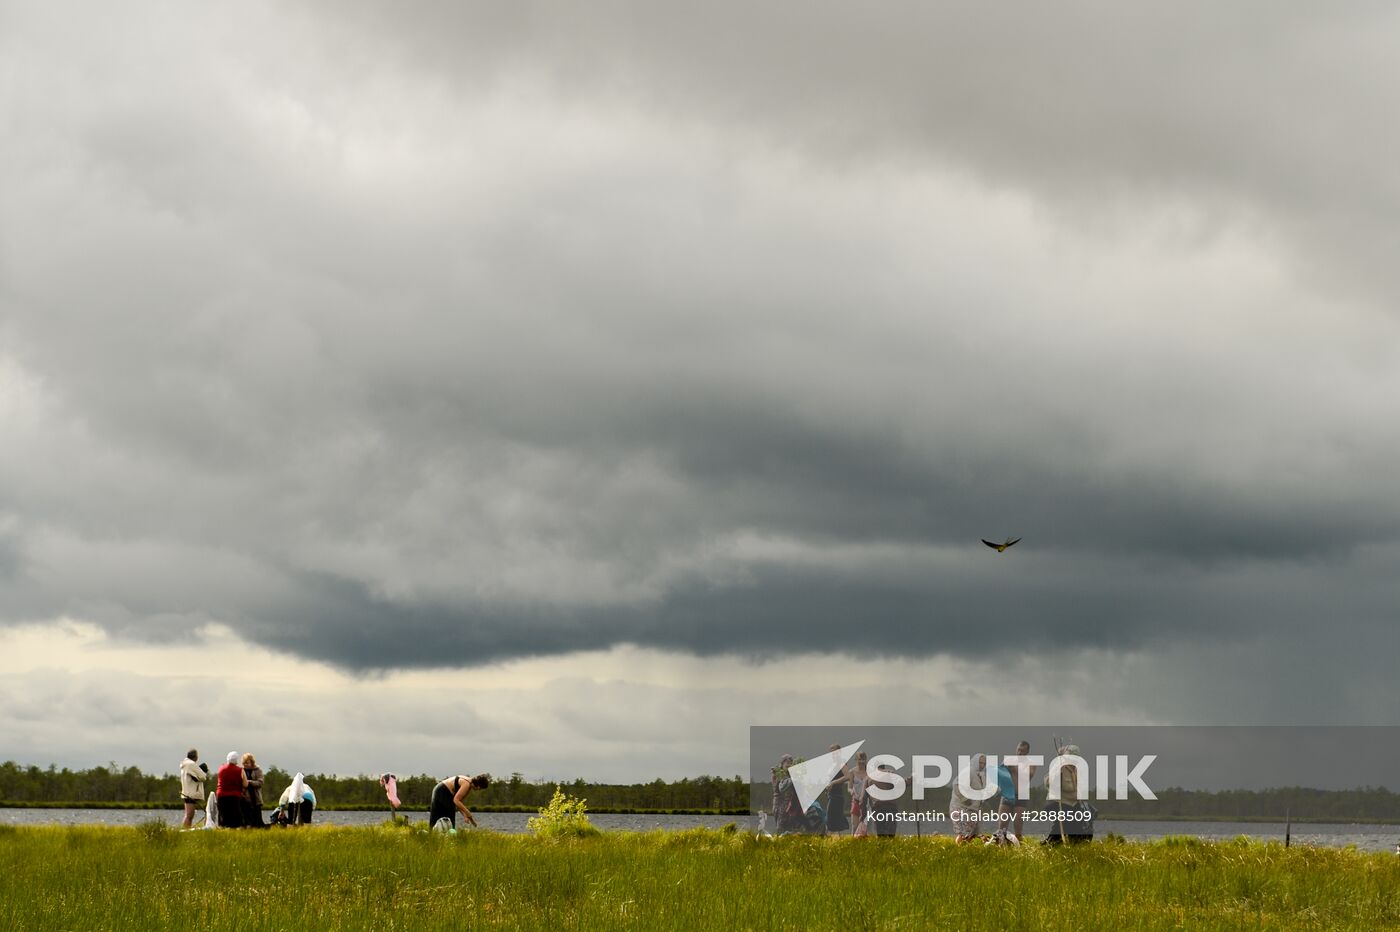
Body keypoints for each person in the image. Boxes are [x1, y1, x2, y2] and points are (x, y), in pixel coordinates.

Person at [1043, 743, 1092, 844]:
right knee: (1064, 824)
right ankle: (1049, 844)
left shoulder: (1077, 770)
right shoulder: (1058, 767)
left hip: (1073, 804)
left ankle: (1076, 844)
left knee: (1079, 823)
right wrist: (1058, 772)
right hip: (1057, 803)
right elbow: (1048, 783)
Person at [997, 740, 1034, 843]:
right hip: (1007, 794)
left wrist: (1015, 769)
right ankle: (1001, 844)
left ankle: (1019, 844)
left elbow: (1028, 777)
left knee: (1018, 823)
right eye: (1018, 750)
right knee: (1002, 823)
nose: (1019, 753)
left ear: (1027, 752)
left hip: (1021, 795)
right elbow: (999, 772)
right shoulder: (1009, 759)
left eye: (1022, 751)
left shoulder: (1030, 763)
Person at [950, 753, 988, 844]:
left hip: (973, 809)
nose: (982, 765)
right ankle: (958, 850)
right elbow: (956, 785)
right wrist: (965, 799)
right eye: (980, 762)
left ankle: (966, 848)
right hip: (961, 807)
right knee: (963, 833)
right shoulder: (968, 771)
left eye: (984, 763)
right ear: (975, 761)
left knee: (973, 832)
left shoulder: (981, 775)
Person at [215, 752, 247, 829]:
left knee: (223, 818)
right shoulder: (240, 770)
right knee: (235, 819)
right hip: (234, 796)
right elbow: (245, 784)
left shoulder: (221, 768)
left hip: (221, 795)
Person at [824, 744, 851, 834]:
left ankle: (829, 842)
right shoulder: (832, 764)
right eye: (831, 753)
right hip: (830, 795)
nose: (833, 754)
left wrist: (833, 782)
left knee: (830, 821)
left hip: (837, 796)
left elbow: (848, 776)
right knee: (834, 822)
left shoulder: (841, 763)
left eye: (835, 752)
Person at [178, 749, 209, 829]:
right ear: (195, 757)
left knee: (189, 814)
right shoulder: (191, 764)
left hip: (187, 792)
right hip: (191, 793)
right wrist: (203, 770)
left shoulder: (185, 765)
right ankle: (185, 831)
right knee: (189, 814)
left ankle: (185, 830)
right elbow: (203, 777)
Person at [241, 753, 265, 828]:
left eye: (247, 763)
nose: (245, 764)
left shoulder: (258, 770)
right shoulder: (241, 771)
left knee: (257, 820)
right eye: (244, 763)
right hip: (245, 798)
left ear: (252, 762)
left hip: (255, 798)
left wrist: (249, 782)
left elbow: (260, 782)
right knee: (246, 819)